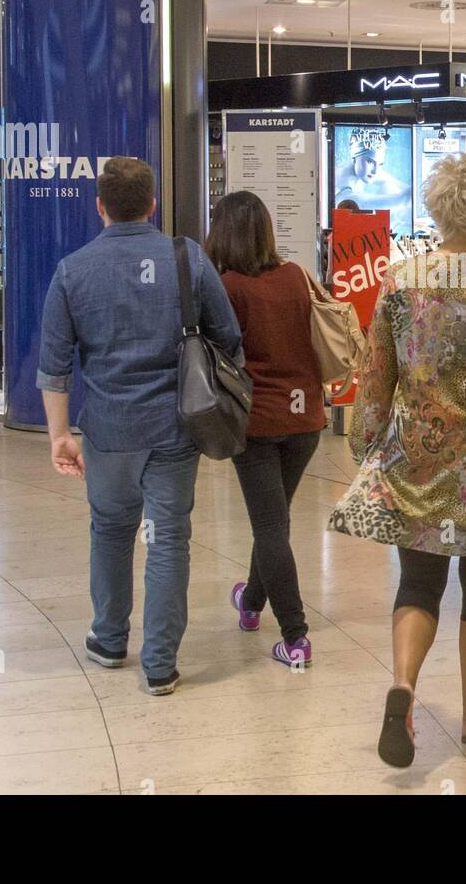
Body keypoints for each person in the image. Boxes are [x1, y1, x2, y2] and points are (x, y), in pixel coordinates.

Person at [329, 152, 466, 768]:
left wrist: (365, 442)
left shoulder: (399, 283)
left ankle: (402, 686)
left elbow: (377, 377)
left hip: (417, 462)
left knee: (418, 583)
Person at [37, 157, 243, 696]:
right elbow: (230, 337)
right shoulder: (187, 259)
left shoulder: (72, 270)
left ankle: (108, 639)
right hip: (176, 427)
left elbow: (54, 367)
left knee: (109, 530)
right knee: (169, 539)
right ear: (153, 205)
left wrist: (60, 435)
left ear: (99, 207)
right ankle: (159, 665)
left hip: (106, 429)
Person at [208, 190, 326, 669]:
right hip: (306, 421)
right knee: (274, 521)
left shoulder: (229, 287)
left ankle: (296, 637)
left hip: (257, 423)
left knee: (272, 526)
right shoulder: (296, 275)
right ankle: (251, 604)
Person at [334, 127, 410, 209]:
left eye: (380, 164)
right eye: (370, 162)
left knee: (389, 185)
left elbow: (398, 185)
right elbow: (403, 200)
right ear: (354, 156)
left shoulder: (359, 170)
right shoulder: (344, 191)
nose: (375, 171)